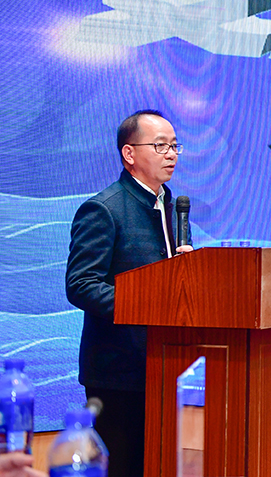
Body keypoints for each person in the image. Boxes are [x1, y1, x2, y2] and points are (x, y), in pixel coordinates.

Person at [65, 110, 193, 477]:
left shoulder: (170, 206)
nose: (171, 154)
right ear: (129, 153)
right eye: (160, 146)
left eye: (175, 146)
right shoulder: (104, 209)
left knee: (155, 465)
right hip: (117, 372)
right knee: (121, 467)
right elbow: (81, 284)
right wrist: (145, 306)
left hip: (163, 364)